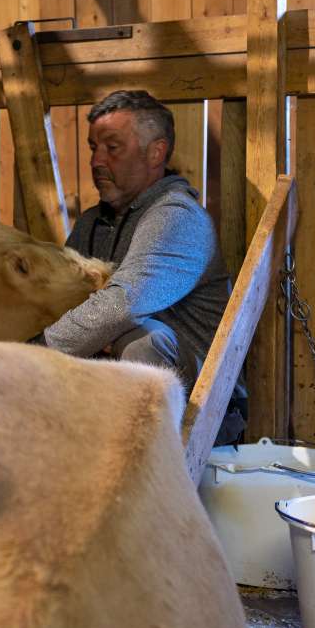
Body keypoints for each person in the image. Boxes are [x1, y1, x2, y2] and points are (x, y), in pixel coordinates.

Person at [43, 90, 246, 440]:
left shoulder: (177, 217)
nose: (97, 161)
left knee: (142, 338)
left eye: (113, 147)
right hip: (109, 393)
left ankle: (146, 461)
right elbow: (62, 299)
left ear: (156, 152)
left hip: (202, 410)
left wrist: (35, 353)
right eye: (93, 148)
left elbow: (124, 305)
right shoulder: (92, 223)